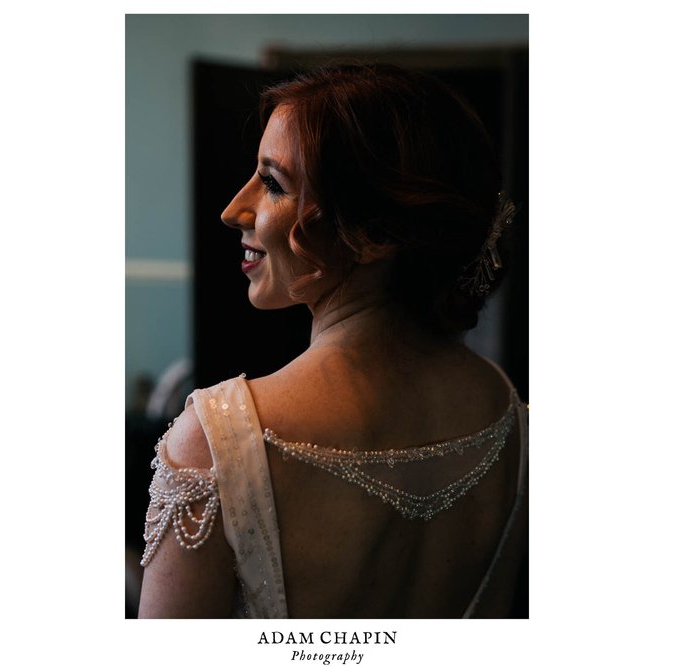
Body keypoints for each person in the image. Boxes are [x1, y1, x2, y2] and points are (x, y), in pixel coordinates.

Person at [138, 63, 527, 618]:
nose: (233, 210)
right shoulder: (511, 416)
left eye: (273, 183)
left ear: (372, 234)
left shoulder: (217, 444)